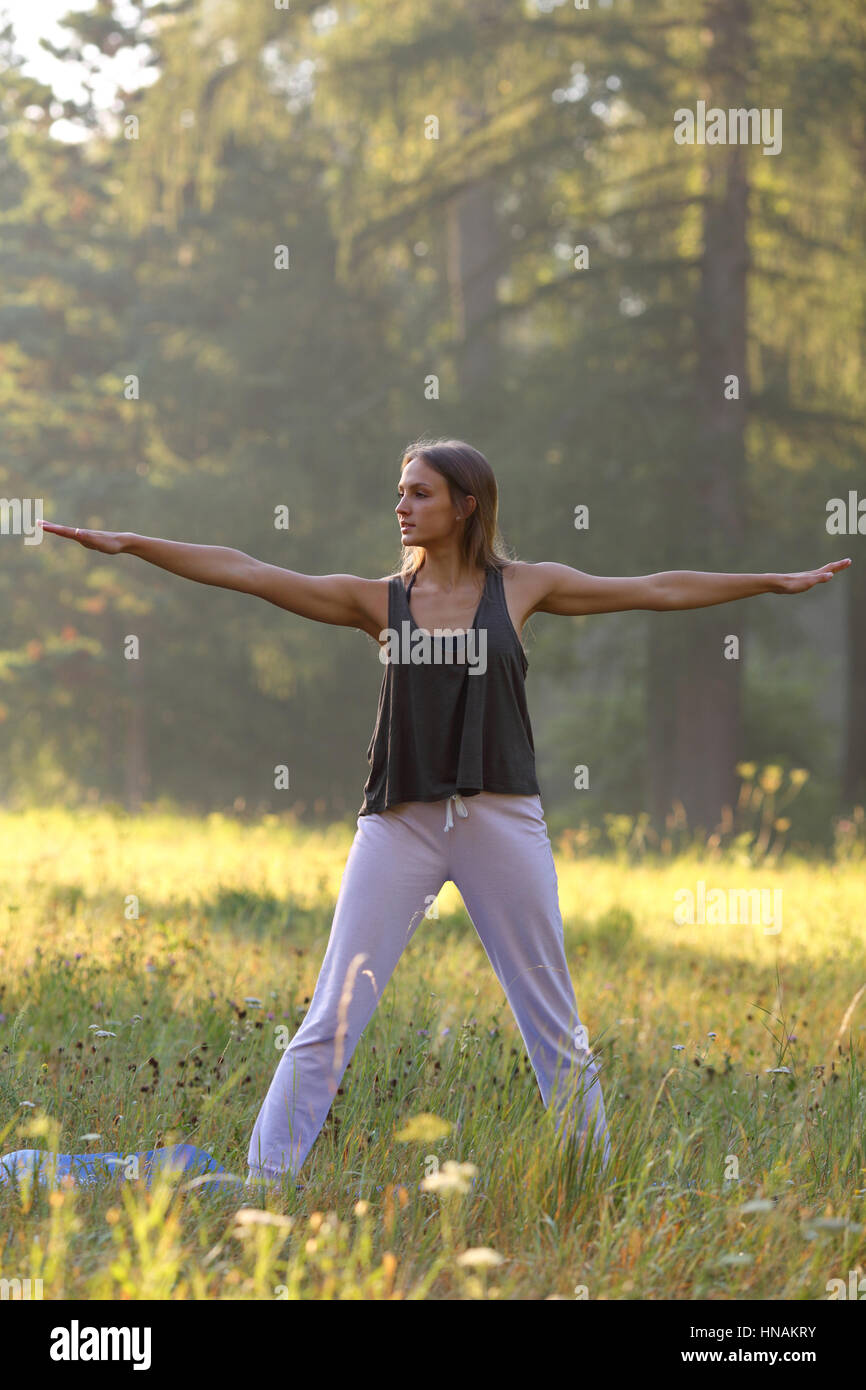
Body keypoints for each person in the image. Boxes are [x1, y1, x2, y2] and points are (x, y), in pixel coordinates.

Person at [39, 437, 851, 1189]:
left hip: (502, 818)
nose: (401, 507)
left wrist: (769, 582)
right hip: (401, 821)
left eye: (419, 494)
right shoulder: (376, 600)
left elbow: (654, 588)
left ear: (466, 504)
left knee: (553, 1020)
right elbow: (249, 570)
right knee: (335, 1009)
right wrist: (135, 544)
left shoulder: (524, 586)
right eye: (399, 494)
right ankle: (267, 1181)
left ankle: (588, 1182)